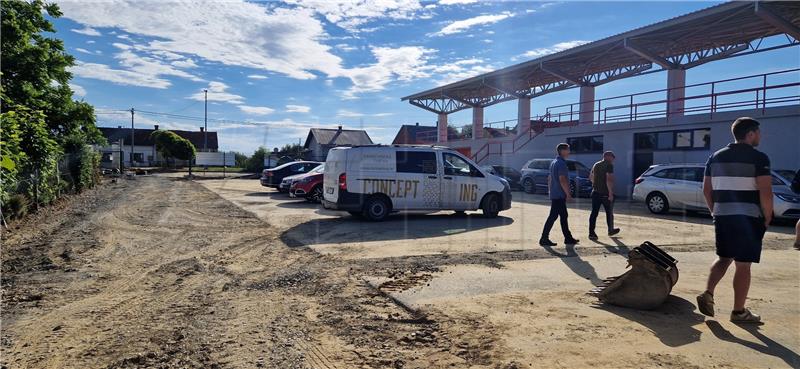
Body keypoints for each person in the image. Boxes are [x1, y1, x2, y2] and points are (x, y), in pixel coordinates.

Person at [696, 117, 772, 324]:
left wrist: (715, 211)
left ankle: (708, 292)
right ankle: (739, 312)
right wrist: (767, 216)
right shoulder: (759, 158)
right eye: (758, 132)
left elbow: (706, 189)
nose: (760, 136)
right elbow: (765, 191)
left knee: (724, 257)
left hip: (723, 216)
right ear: (750, 134)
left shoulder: (715, 157)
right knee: (743, 265)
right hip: (748, 218)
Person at [540, 143, 579, 246]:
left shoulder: (554, 162)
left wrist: (550, 191)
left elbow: (550, 178)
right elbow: (562, 179)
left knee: (563, 216)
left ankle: (568, 238)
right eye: (568, 150)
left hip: (555, 194)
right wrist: (568, 194)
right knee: (553, 217)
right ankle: (544, 238)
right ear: (562, 151)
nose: (569, 152)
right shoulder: (561, 163)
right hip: (559, 195)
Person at [588, 151, 621, 240]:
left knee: (594, 213)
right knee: (609, 212)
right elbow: (609, 179)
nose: (613, 159)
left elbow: (590, 177)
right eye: (612, 157)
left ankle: (591, 233)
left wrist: (596, 184)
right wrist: (610, 193)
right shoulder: (609, 165)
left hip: (595, 192)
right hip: (605, 193)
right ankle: (610, 230)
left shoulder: (596, 164)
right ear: (607, 157)